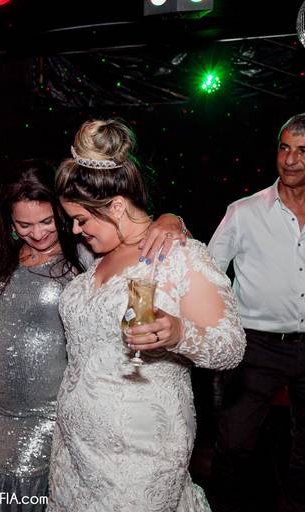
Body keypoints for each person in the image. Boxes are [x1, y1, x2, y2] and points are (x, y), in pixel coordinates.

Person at [47, 119, 246, 511]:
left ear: (117, 206)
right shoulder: (95, 254)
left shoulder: (177, 256)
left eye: (82, 219)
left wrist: (178, 333)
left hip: (138, 459)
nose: (75, 229)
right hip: (72, 454)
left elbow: (231, 346)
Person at [0, 161, 86, 510]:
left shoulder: (84, 255)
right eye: (24, 224)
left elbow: (134, 239)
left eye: (47, 221)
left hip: (41, 423)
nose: (38, 233)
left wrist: (171, 221)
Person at [209, 113, 305, 512]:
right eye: (284, 148)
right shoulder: (244, 211)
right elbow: (209, 273)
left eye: (302, 151)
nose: (290, 160)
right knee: (235, 443)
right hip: (255, 346)